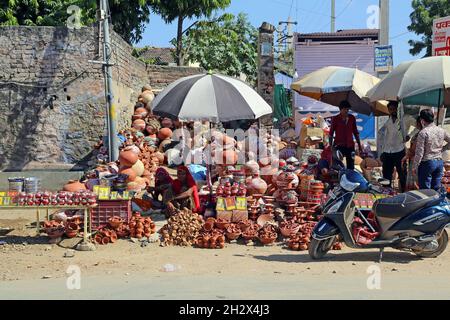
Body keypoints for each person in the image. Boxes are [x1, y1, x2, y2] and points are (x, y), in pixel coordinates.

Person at [413, 109, 450, 191]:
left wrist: (415, 166)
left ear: (422, 120)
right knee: (436, 189)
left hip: (427, 163)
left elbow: (419, 152)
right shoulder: (441, 130)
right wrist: (443, 149)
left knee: (425, 191)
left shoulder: (423, 133)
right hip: (439, 162)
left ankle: (428, 204)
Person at [378, 101, 408, 192]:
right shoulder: (386, 121)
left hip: (399, 150)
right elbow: (380, 134)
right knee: (386, 174)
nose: (393, 111)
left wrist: (409, 135)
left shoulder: (404, 119)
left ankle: (403, 192)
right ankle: (386, 193)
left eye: (394, 109)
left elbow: (418, 126)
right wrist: (381, 152)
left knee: (402, 173)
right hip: (387, 151)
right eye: (390, 109)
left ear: (397, 109)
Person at [329, 101, 362, 170]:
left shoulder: (352, 118)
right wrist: (331, 146)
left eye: (347, 109)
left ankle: (350, 179)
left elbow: (356, 132)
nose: (346, 111)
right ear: (340, 109)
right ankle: (338, 178)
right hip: (339, 145)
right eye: (345, 109)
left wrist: (359, 145)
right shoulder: (335, 119)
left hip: (350, 146)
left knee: (351, 166)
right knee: (337, 165)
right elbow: (331, 133)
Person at [402, 117, 423, 191]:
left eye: (416, 123)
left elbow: (413, 149)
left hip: (416, 160)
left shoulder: (420, 134)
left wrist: (406, 153)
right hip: (416, 159)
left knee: (415, 180)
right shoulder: (420, 133)